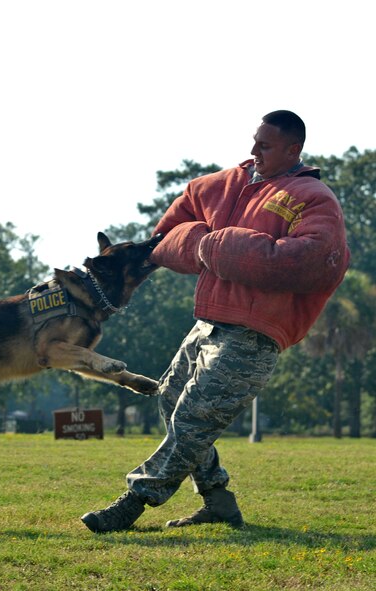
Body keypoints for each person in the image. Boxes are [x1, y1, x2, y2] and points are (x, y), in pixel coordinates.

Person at [81, 110, 351, 533]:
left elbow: (316, 261)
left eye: (264, 145)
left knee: (193, 418)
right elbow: (168, 233)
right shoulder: (225, 183)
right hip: (208, 321)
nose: (253, 151)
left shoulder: (312, 197)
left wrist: (215, 245)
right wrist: (199, 244)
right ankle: (218, 501)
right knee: (171, 399)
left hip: (257, 331)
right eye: (254, 141)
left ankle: (134, 501)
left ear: (292, 149)